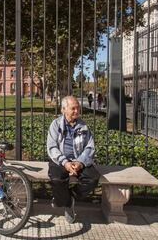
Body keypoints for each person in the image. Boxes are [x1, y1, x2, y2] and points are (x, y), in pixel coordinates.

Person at [47, 96, 99, 224]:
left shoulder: (83, 126)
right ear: (63, 110)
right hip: (60, 160)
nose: (77, 111)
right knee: (57, 179)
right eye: (73, 108)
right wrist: (65, 163)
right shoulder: (55, 125)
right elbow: (52, 147)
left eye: (78, 108)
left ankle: (69, 198)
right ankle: (67, 203)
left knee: (92, 178)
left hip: (79, 160)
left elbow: (90, 147)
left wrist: (80, 162)